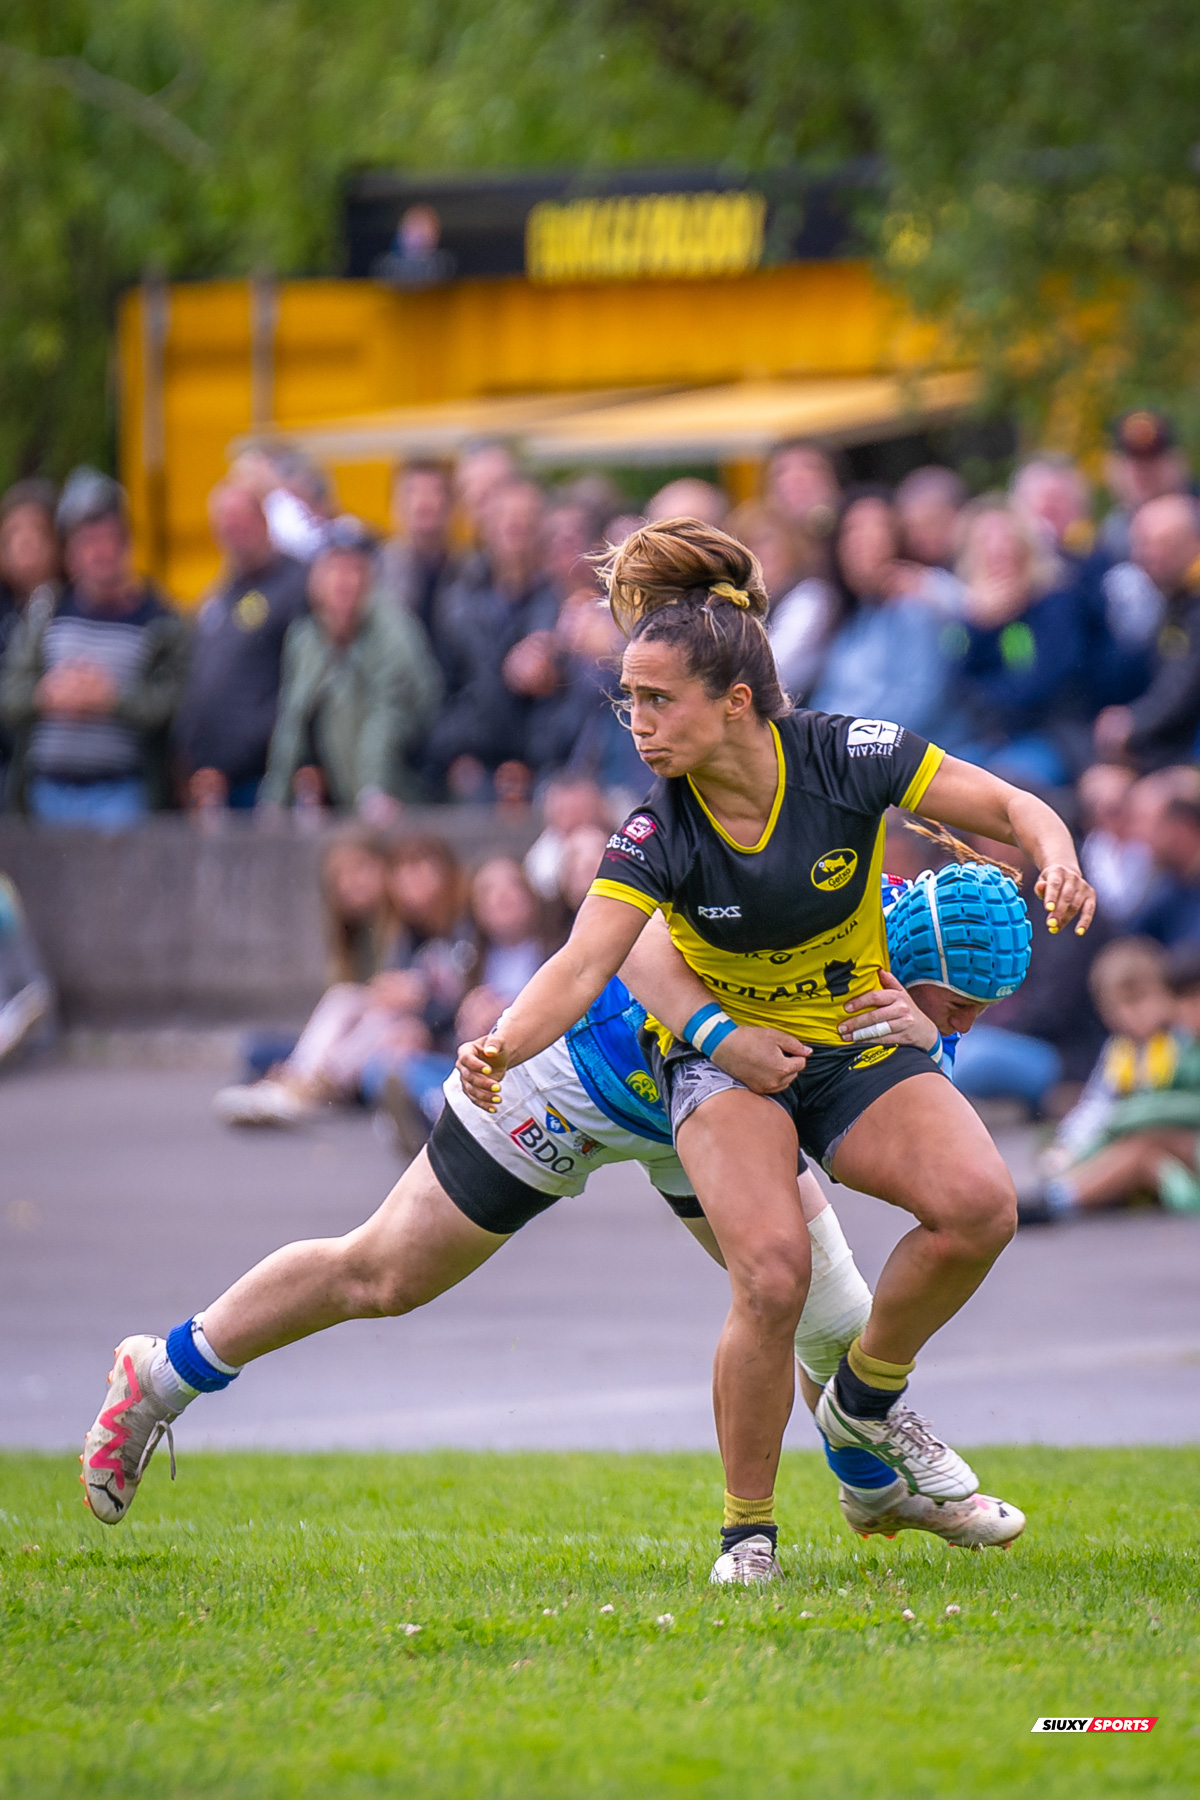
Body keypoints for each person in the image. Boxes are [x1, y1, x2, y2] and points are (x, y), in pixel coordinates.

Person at [453, 515, 1093, 1582]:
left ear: (735, 702)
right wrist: (501, 1044)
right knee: (771, 1275)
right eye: (630, 702)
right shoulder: (658, 828)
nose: (638, 725)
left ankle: (864, 1404)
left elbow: (1013, 805)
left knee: (983, 1207)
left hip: (848, 1036)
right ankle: (746, 1532)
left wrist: (1058, 852)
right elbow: (581, 963)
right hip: (727, 1061)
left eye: (657, 703)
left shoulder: (847, 755)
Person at [80, 876, 1027, 1559]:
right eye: (959, 1004)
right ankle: (160, 1373)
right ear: (915, 964)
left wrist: (922, 1042)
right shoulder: (811, 904)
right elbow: (643, 935)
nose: (967, 1025)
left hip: (707, 1102)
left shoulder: (885, 942)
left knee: (820, 1303)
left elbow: (874, 1087)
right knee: (382, 1273)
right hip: (577, 1081)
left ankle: (876, 1495)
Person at [0, 469, 188, 828]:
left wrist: (111, 700)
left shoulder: (160, 620)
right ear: (69, 553)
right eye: (88, 542)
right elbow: (10, 695)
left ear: (127, 544)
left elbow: (174, 706)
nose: (100, 553)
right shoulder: (47, 613)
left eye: (109, 540)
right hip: (46, 791)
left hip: (123, 792)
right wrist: (46, 696)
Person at [260, 517, 441, 818]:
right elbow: (292, 720)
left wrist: (374, 789)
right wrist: (274, 801)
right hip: (342, 796)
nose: (344, 581)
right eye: (333, 569)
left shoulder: (393, 630)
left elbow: (390, 714)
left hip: (402, 791)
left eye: (353, 569)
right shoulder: (305, 638)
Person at [1018, 938, 1200, 1223]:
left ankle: (1057, 1200)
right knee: (1142, 1154)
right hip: (1135, 1141)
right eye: (1119, 1007)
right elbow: (1096, 1104)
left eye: (1141, 1000)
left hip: (1182, 1142)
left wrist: (1126, 1117)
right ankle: (1067, 1186)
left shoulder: (1184, 1042)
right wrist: (1069, 1146)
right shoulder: (1119, 1051)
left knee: (1141, 1150)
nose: (1132, 1016)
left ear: (1167, 996)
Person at [173, 483, 309, 811]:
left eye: (241, 520)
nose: (234, 531)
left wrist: (244, 753)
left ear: (263, 520)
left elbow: (302, 684)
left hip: (266, 778)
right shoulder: (219, 597)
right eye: (225, 524)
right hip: (211, 783)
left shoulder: (296, 585)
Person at [423, 478, 559, 797]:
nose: (516, 525)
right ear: (486, 526)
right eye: (506, 517)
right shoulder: (456, 602)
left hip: (545, 765)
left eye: (526, 518)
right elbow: (441, 688)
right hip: (474, 760)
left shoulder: (558, 601)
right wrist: (456, 754)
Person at [945, 498, 1088, 787]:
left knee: (997, 785)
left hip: (1052, 736)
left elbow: (1041, 686)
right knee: (939, 786)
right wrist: (980, 627)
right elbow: (956, 684)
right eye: (985, 541)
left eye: (1006, 539)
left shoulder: (1055, 604)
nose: (997, 549)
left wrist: (990, 700)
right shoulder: (970, 620)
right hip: (989, 740)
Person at [807, 487, 951, 737]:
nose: (863, 541)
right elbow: (830, 696)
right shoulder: (856, 614)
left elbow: (917, 706)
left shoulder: (916, 607)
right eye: (852, 531)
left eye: (878, 528)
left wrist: (837, 745)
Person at [1094, 494, 1200, 772]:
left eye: (1160, 544)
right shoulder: (1176, 598)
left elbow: (1183, 685)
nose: (1142, 556)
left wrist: (1133, 723)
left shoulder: (1192, 602)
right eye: (1139, 543)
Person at [376, 462, 460, 661]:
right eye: (412, 493)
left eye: (434, 492)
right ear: (395, 506)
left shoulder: (470, 574)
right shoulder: (376, 573)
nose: (423, 502)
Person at [1097, 410, 1191, 564]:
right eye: (1134, 461)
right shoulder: (1111, 533)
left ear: (1177, 462)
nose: (1144, 472)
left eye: (1153, 459)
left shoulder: (1194, 519)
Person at [1128, 796, 1200, 946]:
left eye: (1146, 822)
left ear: (1182, 827)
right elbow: (1131, 938)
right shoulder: (1167, 886)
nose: (1138, 834)